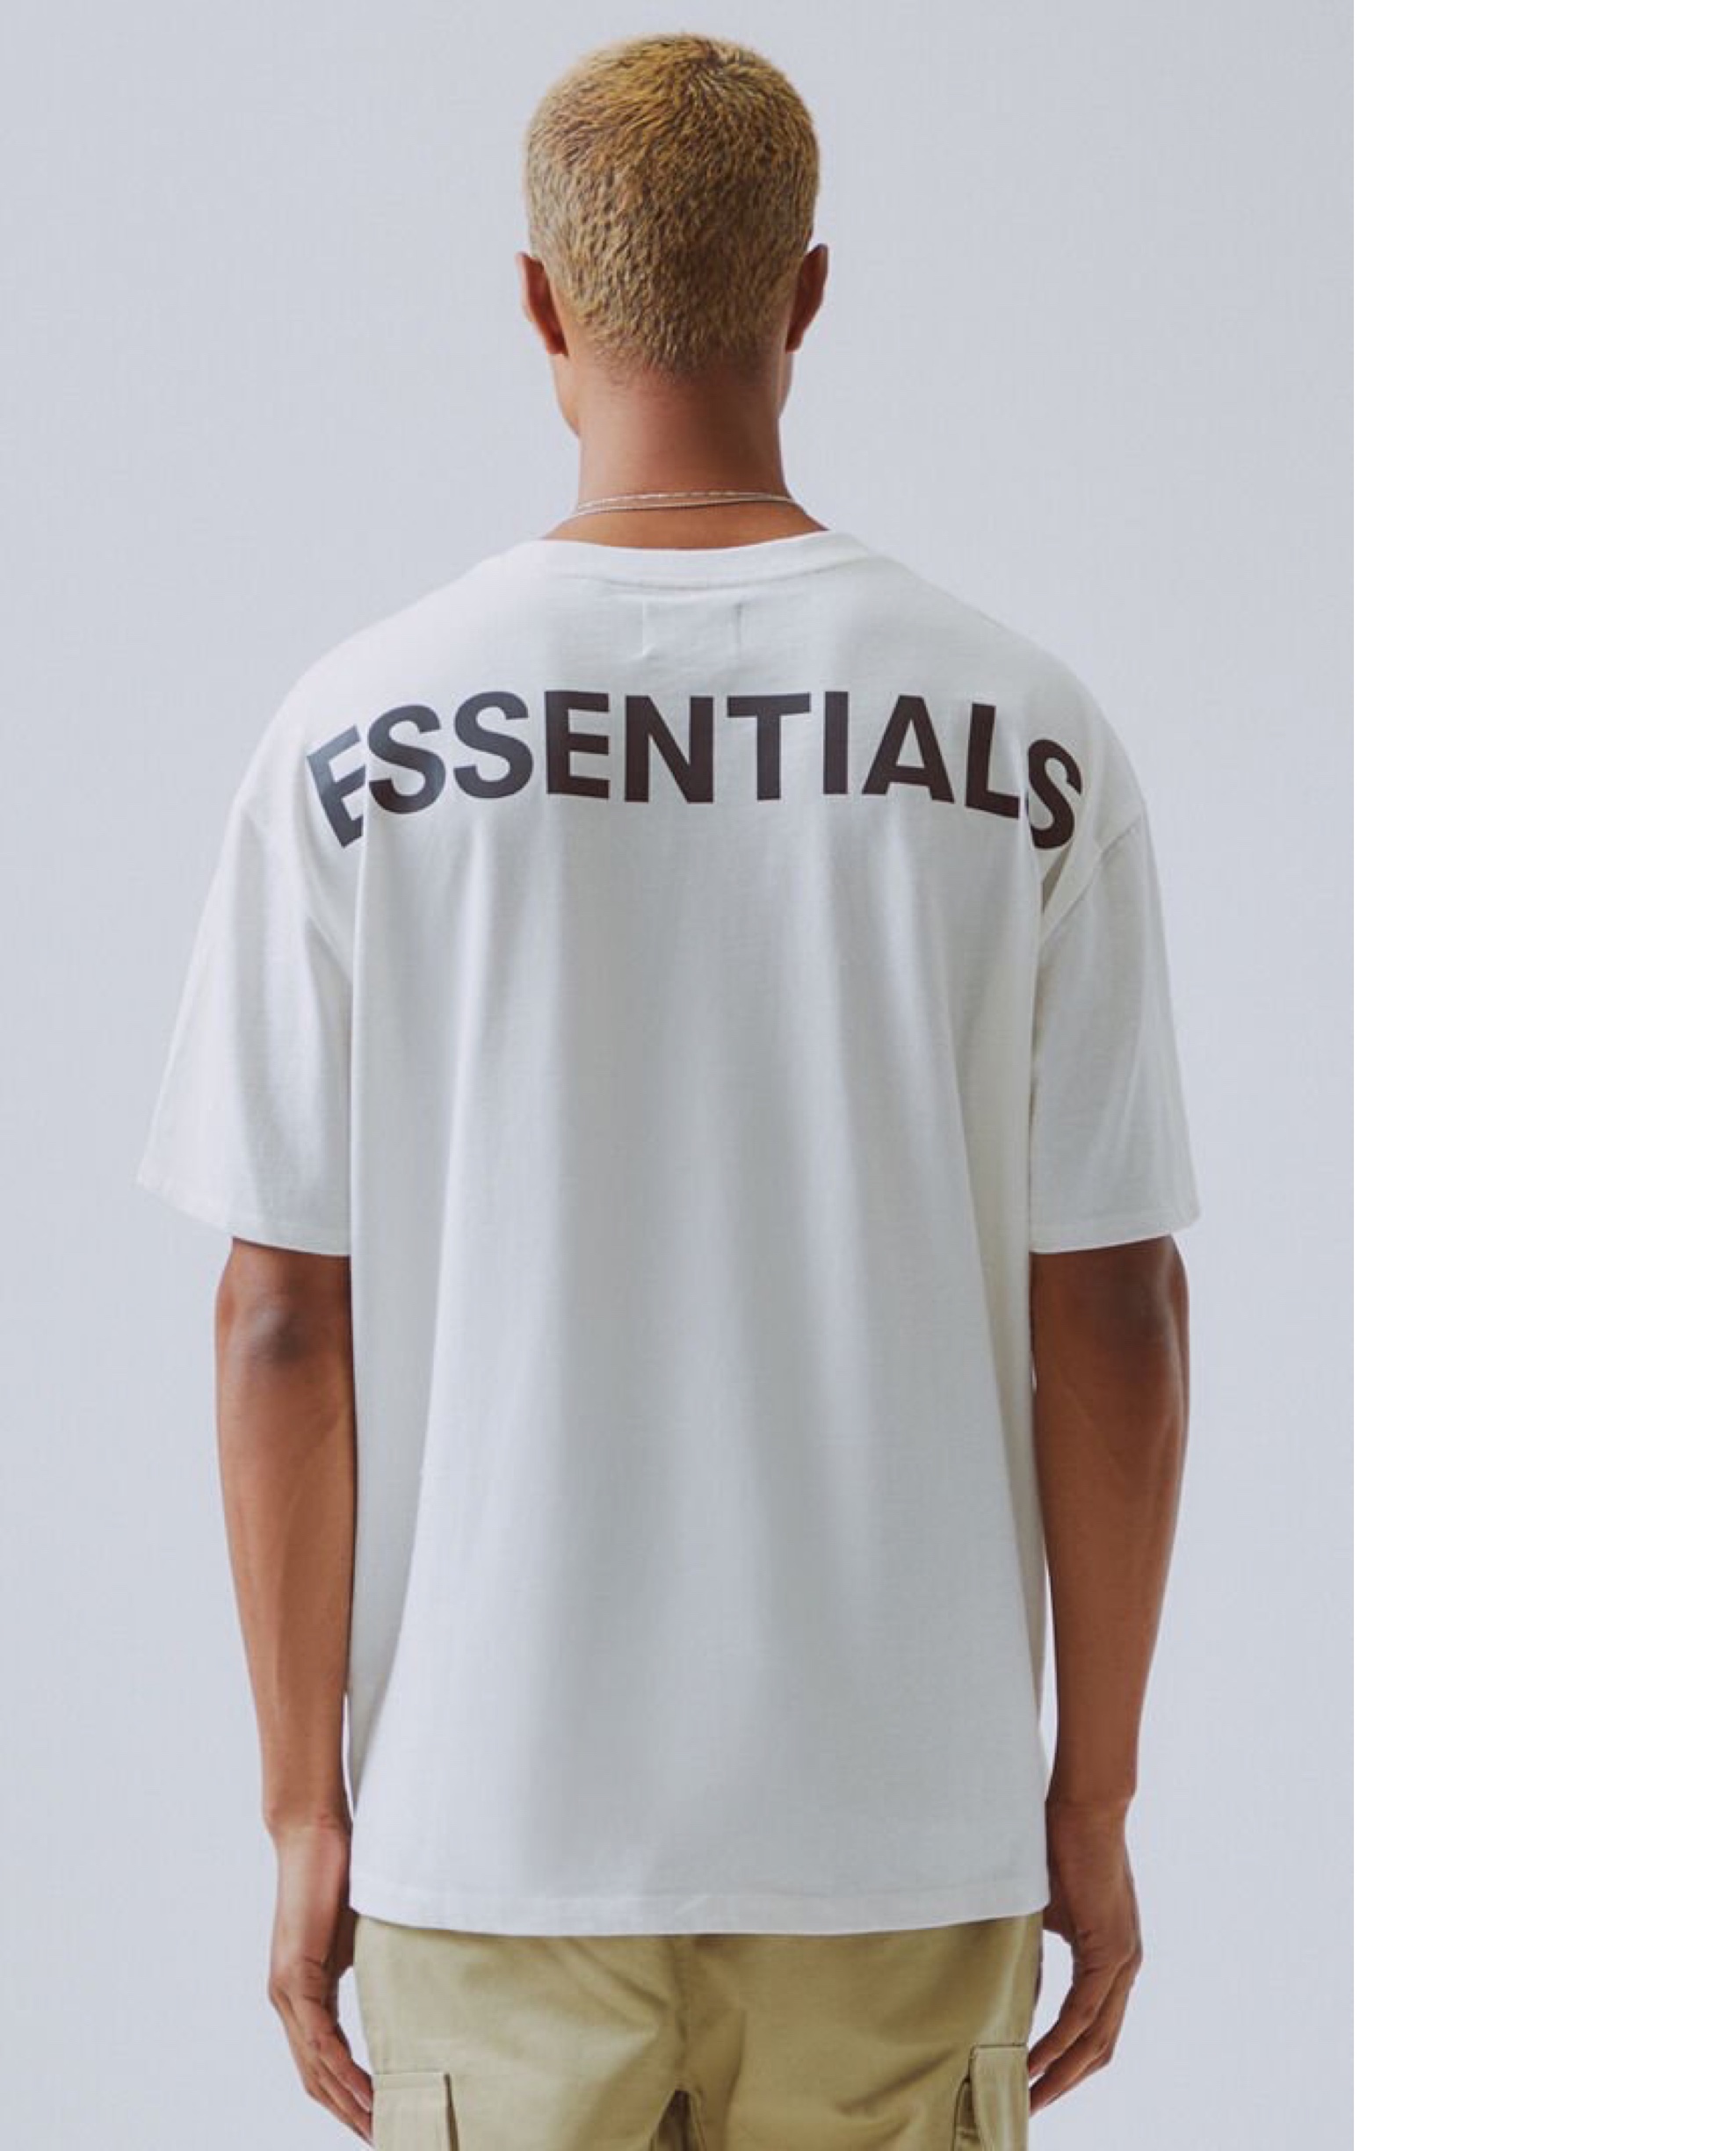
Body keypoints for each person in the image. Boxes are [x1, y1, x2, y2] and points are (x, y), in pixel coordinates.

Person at [138, 30, 1198, 2149]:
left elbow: (278, 1321)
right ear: (807, 293)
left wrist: (301, 1809)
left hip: (492, 1834)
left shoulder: (354, 736)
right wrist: (1089, 1799)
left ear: (540, 300)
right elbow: (1112, 1306)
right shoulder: (1026, 735)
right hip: (900, 1837)